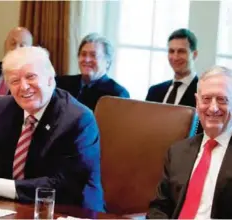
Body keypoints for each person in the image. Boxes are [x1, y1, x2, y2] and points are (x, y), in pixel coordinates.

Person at [0, 46, 105, 211]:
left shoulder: (77, 119)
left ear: (49, 78)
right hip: (11, 208)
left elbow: (64, 186)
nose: (24, 87)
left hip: (70, 211)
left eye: (31, 77)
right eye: (15, 81)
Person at [147, 66, 232, 219]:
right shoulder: (177, 152)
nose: (213, 108)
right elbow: (159, 208)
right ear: (197, 102)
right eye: (206, 99)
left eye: (222, 99)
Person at [56, 33, 129, 111]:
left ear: (107, 62)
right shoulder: (61, 84)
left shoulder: (117, 94)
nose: (87, 60)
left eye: (93, 55)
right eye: (83, 54)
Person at [146, 29, 198, 107]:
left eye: (181, 51)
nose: (175, 57)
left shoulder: (204, 94)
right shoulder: (154, 91)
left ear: (194, 55)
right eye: (171, 51)